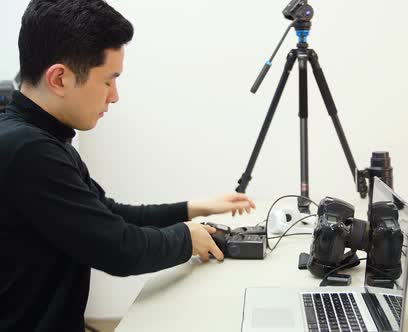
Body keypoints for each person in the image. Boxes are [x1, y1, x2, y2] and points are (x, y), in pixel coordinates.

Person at [0, 0, 256, 330]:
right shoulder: (28, 150)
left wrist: (193, 208)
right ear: (60, 78)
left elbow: (108, 215)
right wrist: (186, 238)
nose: (114, 96)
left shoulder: (41, 139)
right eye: (108, 80)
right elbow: (118, 248)